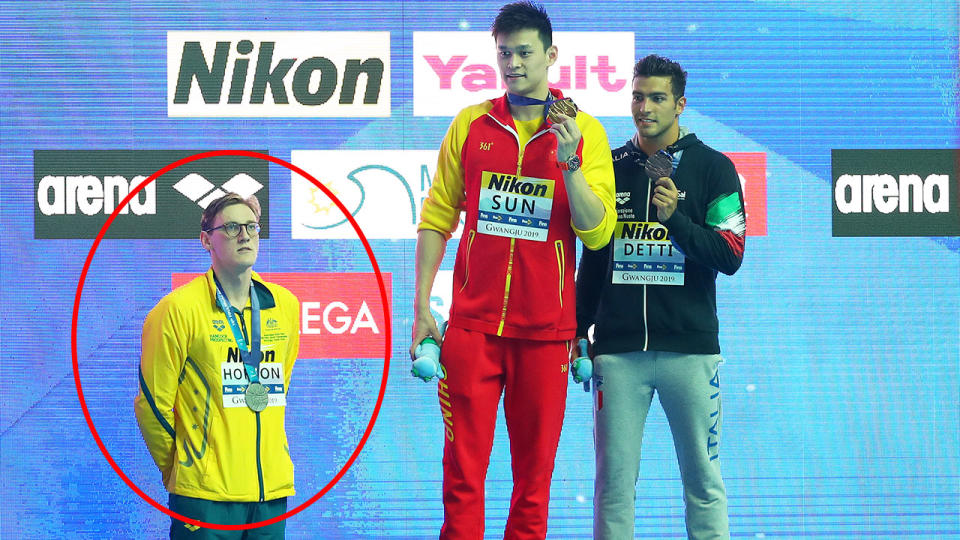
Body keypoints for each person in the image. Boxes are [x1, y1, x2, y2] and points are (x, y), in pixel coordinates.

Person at [410, 1, 616, 537]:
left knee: (534, 483)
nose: (513, 63)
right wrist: (420, 307)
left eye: (525, 52)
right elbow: (437, 215)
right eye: (504, 53)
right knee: (462, 476)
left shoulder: (586, 134)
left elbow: (597, 233)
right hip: (472, 332)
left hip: (547, 336)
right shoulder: (471, 124)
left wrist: (569, 163)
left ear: (551, 55)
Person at [575, 54, 745, 539]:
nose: (644, 107)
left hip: (690, 353)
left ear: (680, 104)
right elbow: (594, 257)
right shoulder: (607, 168)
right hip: (618, 354)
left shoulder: (716, 168)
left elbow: (730, 253)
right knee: (612, 484)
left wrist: (677, 222)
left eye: (656, 98)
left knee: (703, 483)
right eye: (637, 96)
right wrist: (577, 328)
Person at [135, 193, 300, 539]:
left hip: (269, 495)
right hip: (204, 498)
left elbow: (278, 387)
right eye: (232, 227)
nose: (245, 235)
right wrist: (184, 469)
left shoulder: (284, 307)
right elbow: (153, 406)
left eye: (252, 226)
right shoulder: (176, 310)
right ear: (206, 239)